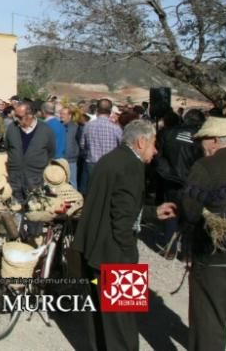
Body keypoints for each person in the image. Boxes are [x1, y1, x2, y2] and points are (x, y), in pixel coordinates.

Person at [156, 117, 226, 350]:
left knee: (209, 324)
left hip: (219, 258)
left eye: (203, 141)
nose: (200, 146)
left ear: (215, 141)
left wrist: (179, 205)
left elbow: (190, 210)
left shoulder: (206, 166)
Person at [73, 120, 158, 351]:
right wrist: (130, 258)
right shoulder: (132, 165)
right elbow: (122, 219)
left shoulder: (108, 159)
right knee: (122, 324)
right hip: (114, 253)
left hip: (93, 249)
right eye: (153, 144)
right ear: (141, 142)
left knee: (101, 320)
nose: (155, 150)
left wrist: (153, 213)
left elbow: (115, 203)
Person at [4, 102, 56, 203]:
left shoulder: (46, 130)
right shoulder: (12, 128)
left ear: (30, 115)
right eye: (15, 116)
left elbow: (51, 152)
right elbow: (8, 148)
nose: (16, 119)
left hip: (35, 178)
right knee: (15, 209)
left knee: (34, 210)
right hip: (15, 178)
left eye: (19, 116)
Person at [78, 98, 121, 194]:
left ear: (97, 110)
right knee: (107, 193)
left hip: (92, 164)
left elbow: (82, 145)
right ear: (110, 111)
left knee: (91, 194)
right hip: (110, 166)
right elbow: (122, 147)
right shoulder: (116, 128)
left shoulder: (88, 126)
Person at [59, 106, 81, 188]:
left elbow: (80, 142)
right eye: (60, 113)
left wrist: (75, 153)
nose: (61, 116)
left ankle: (75, 199)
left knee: (72, 183)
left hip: (71, 160)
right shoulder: (58, 126)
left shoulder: (76, 127)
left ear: (70, 115)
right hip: (59, 159)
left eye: (64, 114)